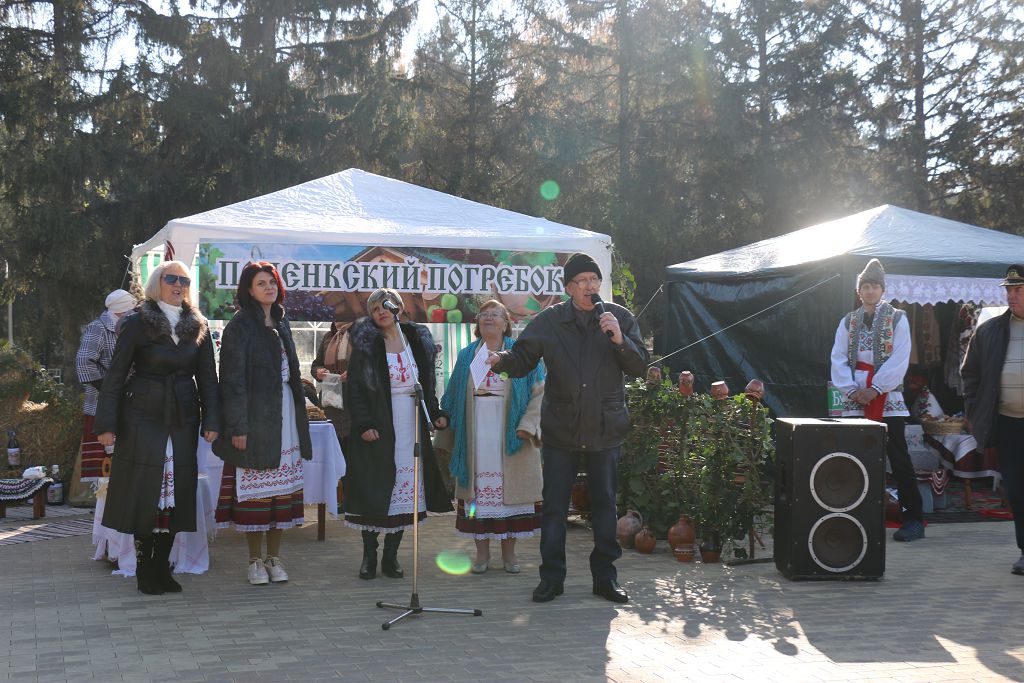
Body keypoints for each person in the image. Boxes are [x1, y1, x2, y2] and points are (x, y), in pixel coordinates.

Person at [487, 253, 649, 603]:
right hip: (562, 428)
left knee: (605, 505)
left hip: (605, 427)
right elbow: (523, 358)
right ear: (569, 288)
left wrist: (619, 340)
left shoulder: (619, 318)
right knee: (555, 507)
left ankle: (605, 578)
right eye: (582, 281)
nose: (590, 286)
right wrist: (502, 361)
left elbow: (639, 366)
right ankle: (551, 578)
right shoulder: (550, 320)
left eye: (594, 280)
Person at [94, 261, 220, 595]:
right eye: (171, 279)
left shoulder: (198, 325)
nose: (178, 285)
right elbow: (115, 375)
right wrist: (106, 424)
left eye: (184, 280)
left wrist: (212, 420)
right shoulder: (137, 322)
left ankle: (162, 566)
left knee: (177, 491)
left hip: (183, 416)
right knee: (144, 491)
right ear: (157, 283)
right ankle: (144, 568)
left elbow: (208, 378)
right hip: (142, 416)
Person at [213, 261, 313, 586]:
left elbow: (292, 374)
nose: (269, 287)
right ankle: (254, 560)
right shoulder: (239, 326)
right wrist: (238, 426)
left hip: (285, 416)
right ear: (249, 289)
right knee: (256, 493)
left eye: (272, 282)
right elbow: (231, 380)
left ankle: (274, 558)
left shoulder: (282, 321)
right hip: (255, 418)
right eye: (261, 283)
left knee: (282, 492)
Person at [344, 288, 452, 580]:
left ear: (399, 309)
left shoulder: (416, 340)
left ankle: (391, 556)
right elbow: (354, 389)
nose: (381, 312)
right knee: (376, 486)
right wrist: (364, 423)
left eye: (386, 306)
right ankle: (369, 555)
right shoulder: (366, 344)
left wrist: (435, 413)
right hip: (380, 422)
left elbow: (426, 385)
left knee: (406, 488)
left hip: (410, 423)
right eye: (375, 308)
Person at [436, 300, 544, 575]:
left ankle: (510, 554)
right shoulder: (467, 355)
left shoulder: (522, 354)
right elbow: (453, 396)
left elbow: (540, 392)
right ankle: (481, 554)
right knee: (477, 495)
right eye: (483, 314)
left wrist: (528, 425)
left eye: (495, 314)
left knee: (511, 494)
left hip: (512, 432)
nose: (488, 318)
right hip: (476, 433)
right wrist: (444, 422)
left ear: (506, 323)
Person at [830, 258, 924, 541]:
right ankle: (857, 516)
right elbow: (838, 356)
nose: (870, 291)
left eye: (875, 286)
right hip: (855, 397)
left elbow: (900, 356)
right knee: (855, 457)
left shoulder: (897, 318)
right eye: (866, 286)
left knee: (898, 457)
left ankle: (914, 518)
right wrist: (850, 390)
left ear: (883, 290)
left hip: (887, 396)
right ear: (858, 291)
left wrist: (876, 388)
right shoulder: (848, 321)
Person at [961, 265, 1024, 575]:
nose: (1012, 295)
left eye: (1019, 290)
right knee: (1016, 489)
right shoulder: (990, 330)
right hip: (1008, 424)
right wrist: (976, 411)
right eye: (1009, 290)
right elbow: (969, 374)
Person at [75, 289, 137, 485]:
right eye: (131, 311)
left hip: (127, 402)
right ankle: (102, 501)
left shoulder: (130, 328)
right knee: (103, 468)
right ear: (122, 312)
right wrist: (108, 390)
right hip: (101, 405)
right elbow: (84, 362)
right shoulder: (98, 327)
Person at [311, 320, 355, 450]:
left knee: (351, 448)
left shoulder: (360, 336)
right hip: (330, 401)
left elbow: (369, 365)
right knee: (331, 446)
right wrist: (319, 372)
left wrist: (354, 372)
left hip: (353, 402)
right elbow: (316, 364)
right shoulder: (328, 337)